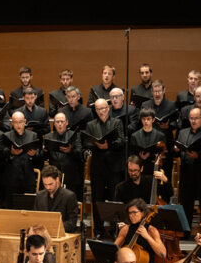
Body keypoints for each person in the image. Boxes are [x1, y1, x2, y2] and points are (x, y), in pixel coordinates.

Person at [84, 99, 125, 237]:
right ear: (95, 111)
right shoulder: (91, 125)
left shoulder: (117, 122)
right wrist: (97, 145)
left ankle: (115, 230)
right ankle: (98, 231)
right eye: (98, 109)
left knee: (115, 200)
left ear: (108, 108)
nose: (101, 111)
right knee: (97, 200)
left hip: (114, 168)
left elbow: (121, 140)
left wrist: (108, 146)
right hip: (98, 168)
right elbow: (86, 142)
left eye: (103, 108)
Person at [113, 198, 167, 263]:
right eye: (130, 213)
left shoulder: (151, 230)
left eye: (134, 212)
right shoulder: (126, 229)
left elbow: (163, 254)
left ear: (143, 213)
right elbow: (114, 249)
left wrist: (147, 237)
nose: (131, 216)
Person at [1, 111, 42, 206]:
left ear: (25, 122)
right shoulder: (7, 136)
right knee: (10, 206)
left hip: (28, 178)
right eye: (15, 122)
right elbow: (2, 154)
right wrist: (11, 153)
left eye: (20, 122)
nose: (18, 125)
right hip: (11, 178)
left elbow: (40, 156)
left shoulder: (33, 135)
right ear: (12, 124)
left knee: (28, 206)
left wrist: (33, 155)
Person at [43, 112, 83, 198]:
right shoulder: (48, 137)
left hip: (71, 176)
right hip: (54, 177)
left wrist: (69, 151)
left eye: (62, 121)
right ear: (54, 124)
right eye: (57, 122)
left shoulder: (75, 135)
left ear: (67, 122)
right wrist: (45, 151)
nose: (60, 124)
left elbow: (80, 154)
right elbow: (44, 157)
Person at [33, 165, 79, 233]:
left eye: (50, 184)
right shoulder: (39, 196)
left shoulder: (69, 196)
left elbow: (72, 222)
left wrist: (52, 228)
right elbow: (35, 218)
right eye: (45, 184)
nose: (48, 187)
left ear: (57, 179)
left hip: (62, 234)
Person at [129, 108, 166, 175]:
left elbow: (163, 154)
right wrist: (141, 157)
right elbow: (133, 154)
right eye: (143, 119)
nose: (146, 121)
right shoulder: (134, 136)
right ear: (141, 120)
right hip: (139, 168)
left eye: (148, 119)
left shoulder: (160, 135)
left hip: (154, 167)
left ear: (153, 120)